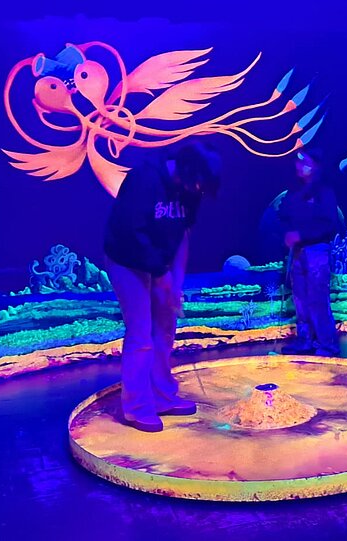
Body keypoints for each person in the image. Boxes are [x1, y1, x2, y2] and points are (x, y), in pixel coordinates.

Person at [103, 141, 221, 433]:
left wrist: (176, 283)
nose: (197, 190)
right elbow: (132, 237)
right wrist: (162, 275)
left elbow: (182, 237)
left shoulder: (191, 189)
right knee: (141, 331)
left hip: (159, 262)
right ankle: (137, 407)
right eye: (196, 183)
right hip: (126, 259)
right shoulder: (144, 179)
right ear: (184, 169)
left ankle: (162, 397)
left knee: (166, 327)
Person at [279, 149, 343, 356]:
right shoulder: (295, 191)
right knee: (300, 297)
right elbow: (283, 213)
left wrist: (301, 234)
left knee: (317, 297)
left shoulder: (324, 192)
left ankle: (327, 343)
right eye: (298, 162)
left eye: (305, 162)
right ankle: (305, 339)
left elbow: (329, 224)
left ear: (315, 165)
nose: (299, 166)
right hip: (298, 252)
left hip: (317, 251)